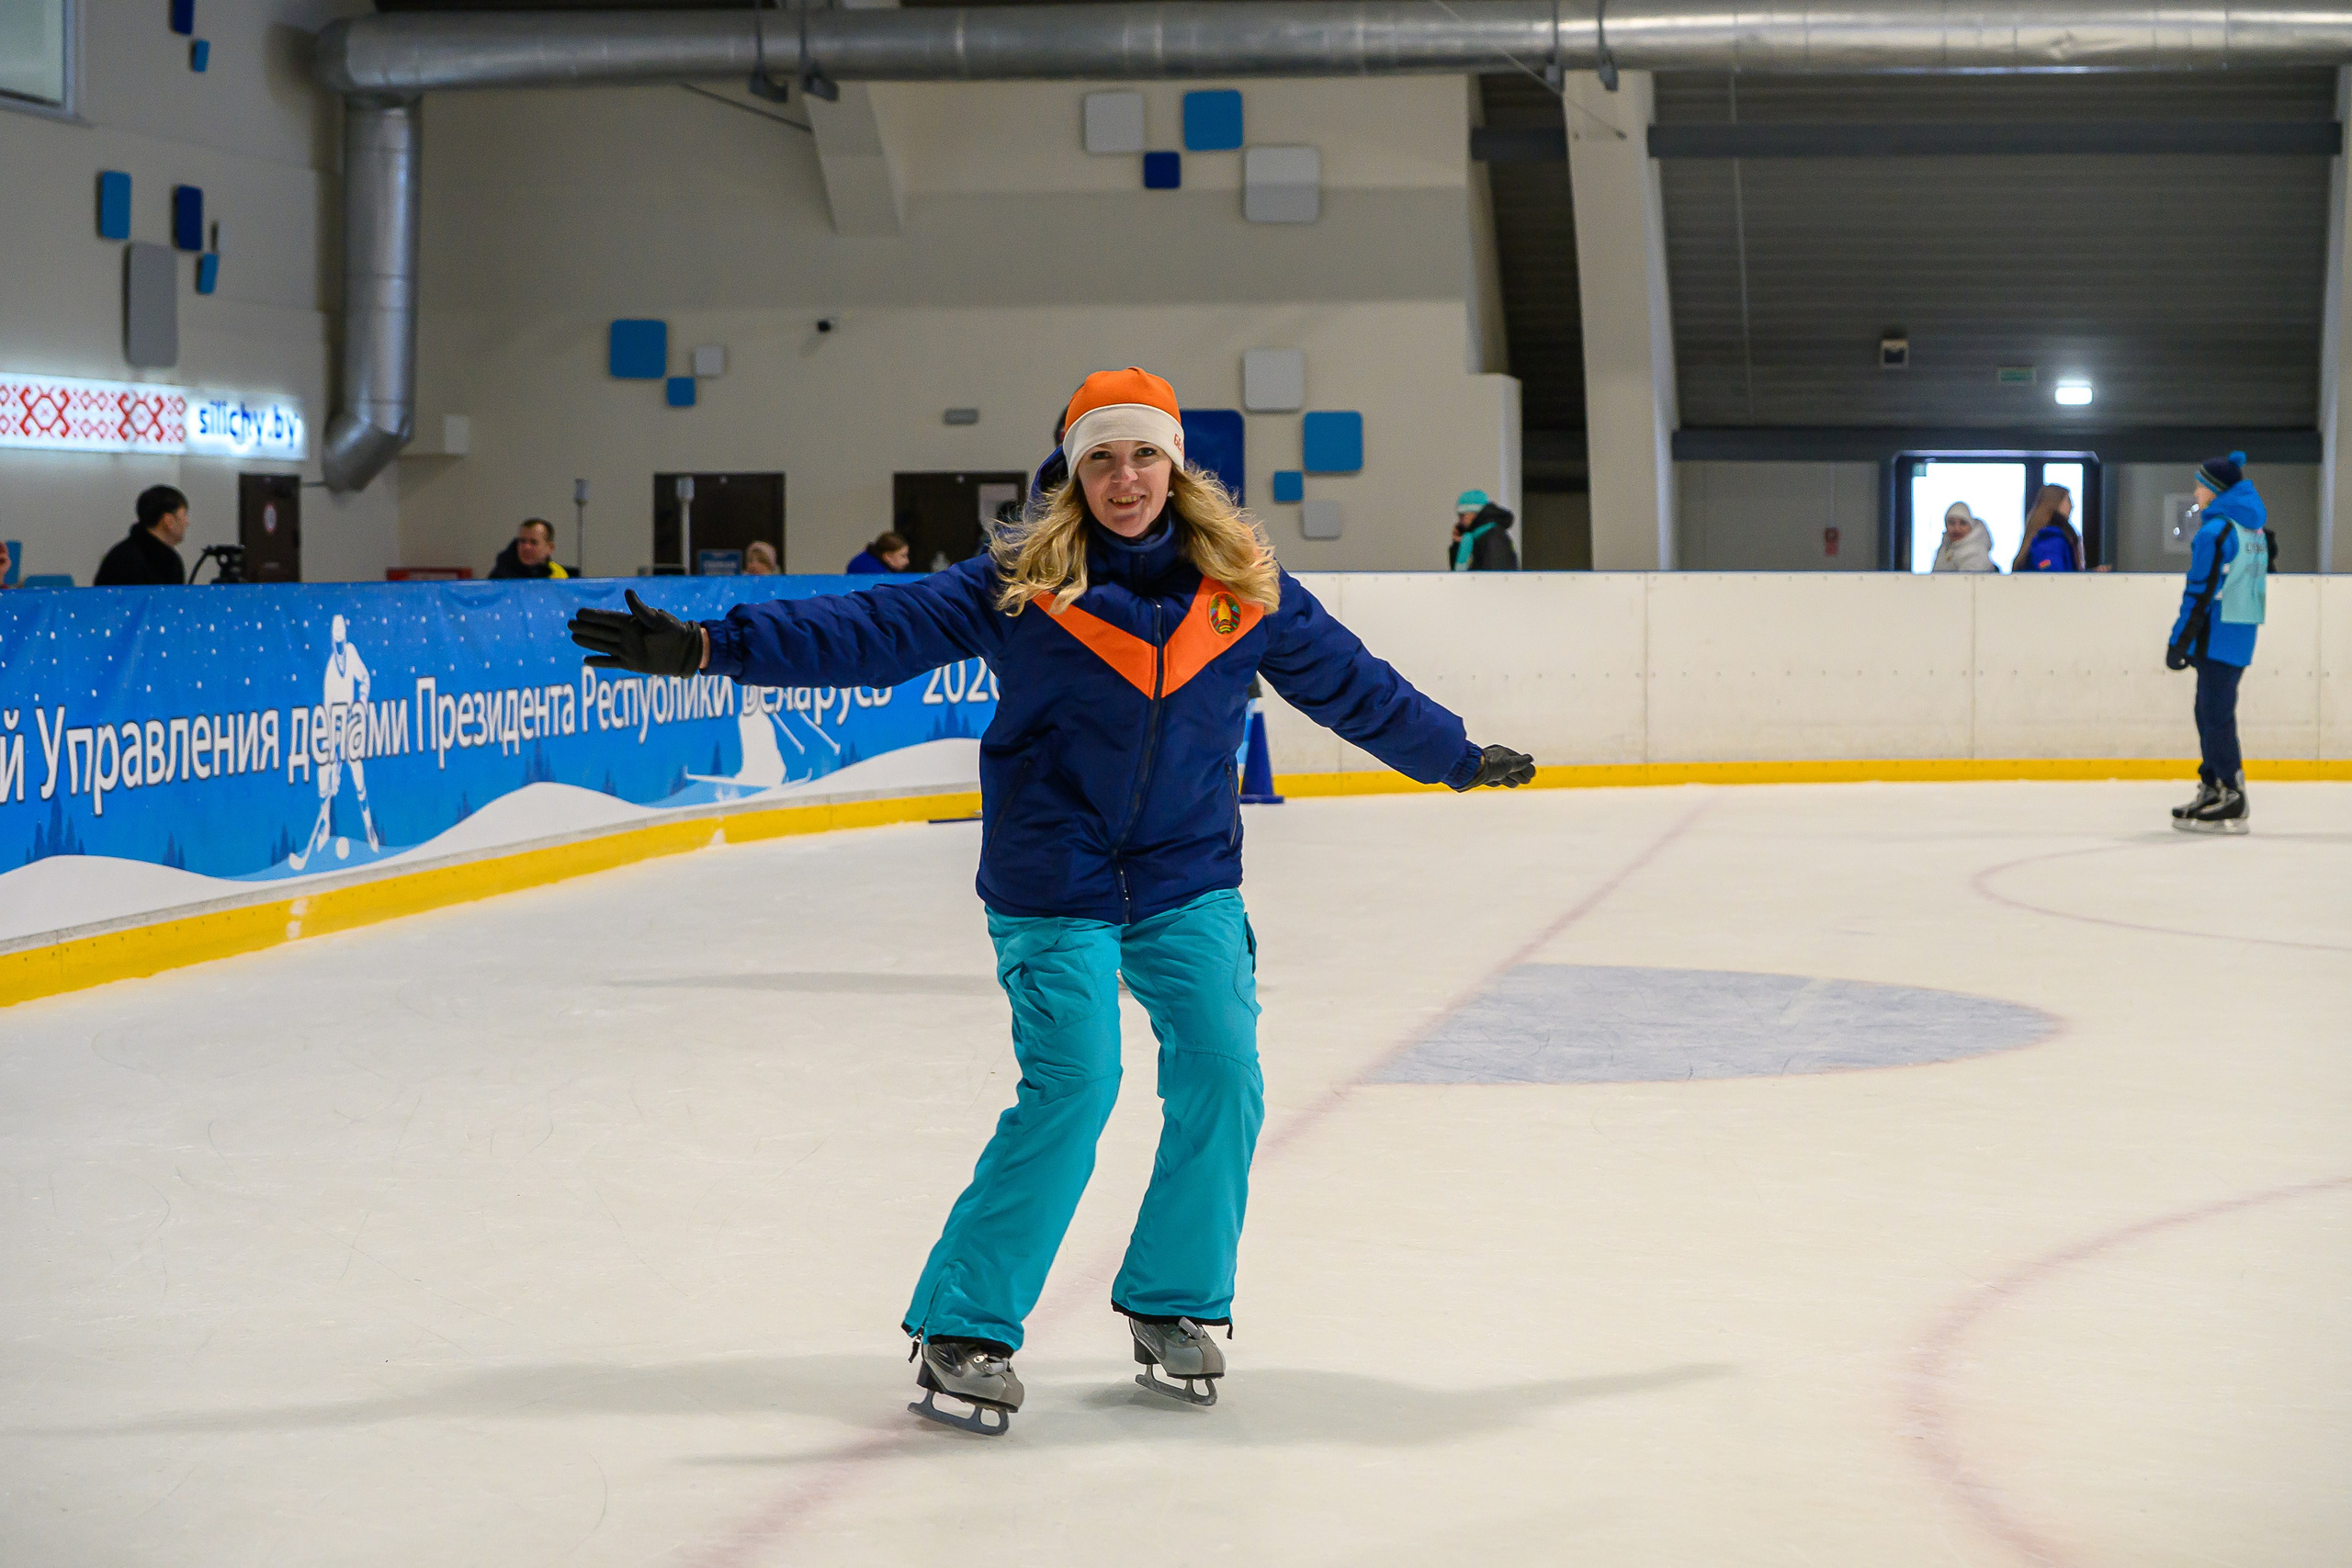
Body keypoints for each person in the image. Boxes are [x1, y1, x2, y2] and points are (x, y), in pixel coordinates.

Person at [569, 367, 1534, 1435]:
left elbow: (1353, 686)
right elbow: (872, 631)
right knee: (1077, 1084)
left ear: (1177, 465)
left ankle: (1172, 1303)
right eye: (1103, 458)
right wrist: (714, 647)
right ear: (1073, 472)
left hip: (1187, 875)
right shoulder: (1027, 581)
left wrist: (1452, 755)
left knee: (1225, 1074)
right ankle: (966, 1322)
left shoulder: (1243, 588)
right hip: (1056, 878)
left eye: (1144, 455)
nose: (1126, 478)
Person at [2166, 451, 2267, 833]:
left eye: (2200, 484)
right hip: (2240, 632)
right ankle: (2213, 786)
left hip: (2216, 635)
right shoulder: (2250, 529)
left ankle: (2231, 793)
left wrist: (2179, 642)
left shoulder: (2216, 532)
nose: (2195, 491)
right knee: (2208, 710)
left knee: (2215, 714)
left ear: (2214, 490)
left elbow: (2200, 591)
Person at [94, 485, 189, 586]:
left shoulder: (124, 554)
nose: (187, 522)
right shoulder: (128, 560)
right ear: (168, 520)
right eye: (184, 515)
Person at [2012, 485, 2083, 572]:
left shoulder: (2044, 537)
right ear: (2056, 503)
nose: (2072, 506)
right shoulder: (2052, 541)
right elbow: (2054, 578)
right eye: (2068, 500)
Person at [488, 518, 570, 581]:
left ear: (549, 548)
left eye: (533, 542)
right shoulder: (502, 576)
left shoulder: (557, 574)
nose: (526, 547)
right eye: (522, 541)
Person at [1450, 500, 1520, 571]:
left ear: (1474, 514)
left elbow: (1497, 574)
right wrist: (1457, 545)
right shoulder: (1477, 537)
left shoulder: (1493, 537)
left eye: (1462, 515)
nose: (1459, 521)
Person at [1929, 502, 1997, 572]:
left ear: (1971, 526)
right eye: (1952, 523)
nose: (1957, 529)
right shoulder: (1943, 550)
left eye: (1962, 523)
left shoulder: (1977, 552)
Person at [846, 532, 911, 574]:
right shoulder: (877, 574)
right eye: (903, 556)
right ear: (888, 557)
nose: (907, 561)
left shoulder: (864, 558)